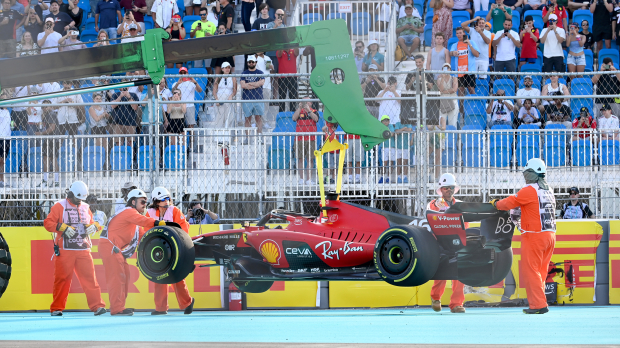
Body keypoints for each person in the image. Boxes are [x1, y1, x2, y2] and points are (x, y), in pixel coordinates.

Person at [491, 158, 556, 314]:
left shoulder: (529, 190)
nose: (525, 176)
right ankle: (541, 303)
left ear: (532, 174)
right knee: (540, 271)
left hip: (534, 236)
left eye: (527, 173)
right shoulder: (548, 190)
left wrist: (495, 203)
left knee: (531, 271)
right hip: (550, 235)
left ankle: (538, 306)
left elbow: (509, 203)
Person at [100, 189, 174, 316]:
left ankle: (120, 306)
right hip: (110, 247)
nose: (145, 204)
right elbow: (144, 221)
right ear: (133, 201)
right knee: (117, 278)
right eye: (142, 201)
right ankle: (117, 309)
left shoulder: (132, 219)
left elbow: (142, 237)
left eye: (146, 202)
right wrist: (158, 223)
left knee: (125, 276)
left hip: (114, 248)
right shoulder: (129, 212)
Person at [42, 181, 107, 317]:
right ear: (70, 194)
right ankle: (57, 308)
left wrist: (95, 226)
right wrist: (62, 227)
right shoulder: (58, 206)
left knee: (90, 279)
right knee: (62, 279)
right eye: (78, 198)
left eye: (82, 198)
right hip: (65, 250)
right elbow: (48, 223)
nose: (79, 201)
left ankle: (98, 306)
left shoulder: (86, 207)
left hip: (83, 249)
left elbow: (92, 223)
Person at [146, 187, 195, 315]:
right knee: (159, 277)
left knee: (177, 278)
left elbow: (184, 228)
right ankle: (161, 308)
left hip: (175, 249)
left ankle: (187, 303)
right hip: (158, 250)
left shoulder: (175, 210)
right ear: (156, 201)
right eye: (163, 199)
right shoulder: (149, 213)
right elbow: (144, 230)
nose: (167, 201)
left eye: (168, 198)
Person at [428, 173, 466, 314]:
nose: (448, 190)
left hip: (457, 243)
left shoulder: (460, 205)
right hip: (440, 243)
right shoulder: (434, 204)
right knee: (441, 274)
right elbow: (430, 217)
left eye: (451, 187)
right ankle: (435, 297)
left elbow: (465, 225)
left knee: (459, 274)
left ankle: (456, 304)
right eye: (445, 188)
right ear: (441, 189)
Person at [292, 98, 318, 185]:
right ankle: (302, 179)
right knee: (300, 159)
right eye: (304, 101)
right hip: (300, 138)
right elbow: (294, 118)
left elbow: (316, 119)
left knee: (310, 159)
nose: (305, 103)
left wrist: (309, 111)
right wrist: (299, 108)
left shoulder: (314, 111)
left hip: (311, 138)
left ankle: (309, 179)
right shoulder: (299, 111)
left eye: (307, 101)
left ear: (311, 103)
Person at [35, 100, 60, 188]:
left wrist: (41, 133)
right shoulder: (47, 115)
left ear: (50, 106)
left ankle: (51, 181)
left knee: (50, 159)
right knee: (49, 159)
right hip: (50, 139)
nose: (44, 108)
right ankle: (51, 181)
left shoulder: (51, 114)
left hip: (52, 139)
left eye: (46, 106)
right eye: (43, 107)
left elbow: (52, 128)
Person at [450, 26, 480, 96]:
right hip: (460, 71)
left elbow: (477, 54)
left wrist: (469, 44)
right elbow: (450, 53)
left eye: (460, 33)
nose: (459, 35)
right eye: (457, 33)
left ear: (464, 33)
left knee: (471, 90)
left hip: (470, 71)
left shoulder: (472, 42)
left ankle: (474, 106)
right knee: (460, 92)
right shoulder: (455, 45)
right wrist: (453, 53)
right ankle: (461, 107)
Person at [240, 55, 265, 136]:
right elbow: (243, 85)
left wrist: (249, 84)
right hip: (247, 99)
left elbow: (261, 82)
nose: (251, 63)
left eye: (252, 62)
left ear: (255, 62)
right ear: (247, 63)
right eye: (249, 62)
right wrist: (256, 84)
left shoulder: (260, 72)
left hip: (258, 98)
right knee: (247, 119)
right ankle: (247, 137)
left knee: (258, 118)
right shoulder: (244, 73)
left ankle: (259, 136)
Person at [212, 61, 237, 128]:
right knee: (219, 117)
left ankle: (227, 135)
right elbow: (214, 90)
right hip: (220, 98)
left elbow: (235, 90)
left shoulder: (233, 78)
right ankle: (219, 135)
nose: (227, 69)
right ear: (222, 69)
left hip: (229, 99)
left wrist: (231, 95)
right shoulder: (218, 78)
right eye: (226, 68)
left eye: (228, 68)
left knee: (229, 117)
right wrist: (216, 99)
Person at [276, 48, 299, 112]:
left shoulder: (293, 51)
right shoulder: (279, 50)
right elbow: (279, 55)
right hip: (282, 77)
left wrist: (295, 44)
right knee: (282, 97)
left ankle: (293, 114)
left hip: (293, 77)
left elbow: (297, 53)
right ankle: (281, 114)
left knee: (293, 97)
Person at [437, 63, 459, 128]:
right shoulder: (439, 79)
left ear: (450, 70)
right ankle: (442, 138)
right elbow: (441, 89)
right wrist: (443, 77)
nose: (446, 69)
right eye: (444, 68)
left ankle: (452, 137)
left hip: (453, 101)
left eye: (448, 68)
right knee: (441, 123)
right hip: (442, 102)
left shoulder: (454, 78)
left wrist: (444, 92)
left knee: (452, 123)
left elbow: (454, 89)